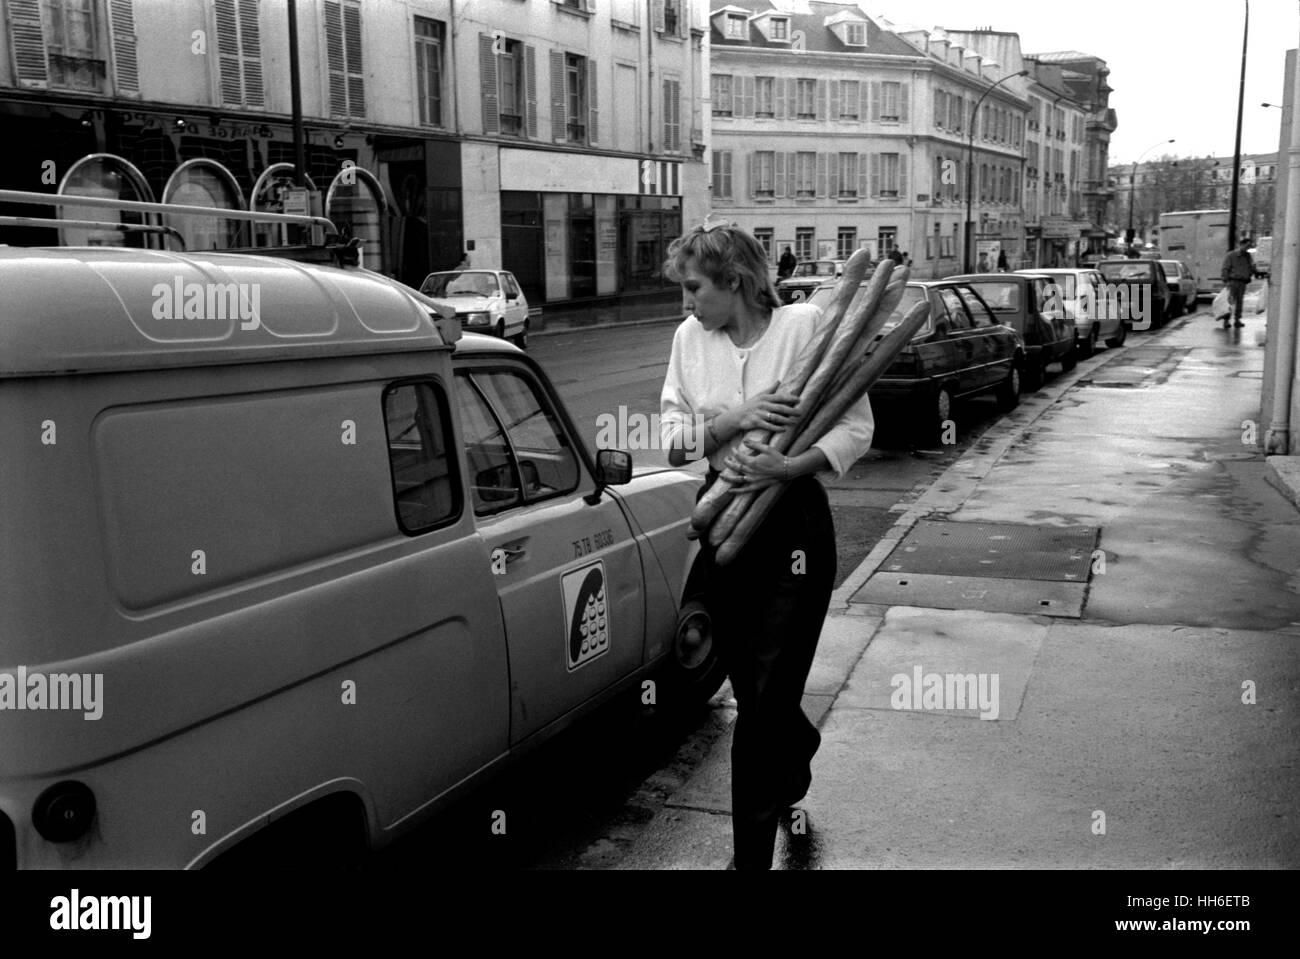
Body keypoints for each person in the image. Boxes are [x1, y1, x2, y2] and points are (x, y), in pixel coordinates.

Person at [659, 221, 875, 871]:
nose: (687, 301)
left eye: (695, 287)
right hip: (723, 515)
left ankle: (748, 859)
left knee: (761, 704)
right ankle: (797, 743)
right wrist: (736, 420)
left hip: (792, 527)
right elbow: (673, 438)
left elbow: (857, 428)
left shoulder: (805, 328)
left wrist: (790, 466)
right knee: (756, 692)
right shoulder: (688, 340)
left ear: (738, 281)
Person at [1220, 236, 1255, 329]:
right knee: (1229, 301)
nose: (1248, 248)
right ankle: (1226, 320)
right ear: (1241, 245)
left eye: (1249, 246)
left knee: (1239, 302)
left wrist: (1249, 275)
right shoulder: (1231, 255)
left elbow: (1250, 267)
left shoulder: (1248, 256)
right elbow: (1225, 268)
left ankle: (1237, 319)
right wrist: (1225, 280)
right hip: (1232, 281)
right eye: (1247, 245)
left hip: (1242, 282)